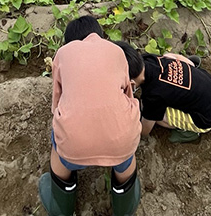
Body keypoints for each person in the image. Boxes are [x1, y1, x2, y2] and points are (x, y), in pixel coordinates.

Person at [39, 16, 142, 216]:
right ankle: (125, 205)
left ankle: (61, 206)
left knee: (59, 143)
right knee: (124, 140)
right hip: (119, 143)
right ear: (101, 36)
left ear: (70, 42)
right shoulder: (117, 51)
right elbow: (128, 93)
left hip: (73, 147)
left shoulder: (63, 54)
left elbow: (56, 102)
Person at [115, 41, 211, 143]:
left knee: (155, 115)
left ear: (131, 82)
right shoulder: (150, 58)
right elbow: (174, 57)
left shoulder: (153, 96)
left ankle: (189, 132)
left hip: (206, 119)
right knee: (170, 60)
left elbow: (145, 131)